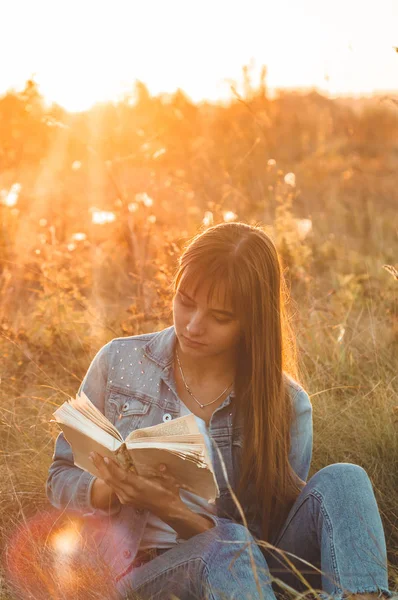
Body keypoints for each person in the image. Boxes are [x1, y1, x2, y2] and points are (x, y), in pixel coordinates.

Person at [47, 222, 394, 600]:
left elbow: (262, 543)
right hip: (139, 574)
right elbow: (59, 478)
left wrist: (169, 507)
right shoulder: (120, 362)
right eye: (185, 301)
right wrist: (111, 489)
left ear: (252, 321)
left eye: (220, 317)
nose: (193, 326)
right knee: (229, 543)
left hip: (247, 577)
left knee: (345, 479)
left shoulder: (285, 403)